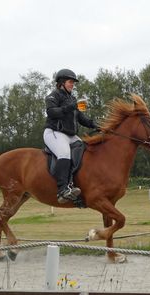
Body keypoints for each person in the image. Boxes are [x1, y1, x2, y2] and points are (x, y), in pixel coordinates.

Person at [44, 68, 98, 204]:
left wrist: (96, 125)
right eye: (70, 82)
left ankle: (78, 186)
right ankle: (62, 190)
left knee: (86, 150)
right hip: (54, 133)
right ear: (61, 82)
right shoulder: (53, 96)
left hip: (70, 135)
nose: (72, 85)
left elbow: (81, 118)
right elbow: (51, 112)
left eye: (73, 83)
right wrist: (72, 106)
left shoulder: (72, 99)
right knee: (64, 153)